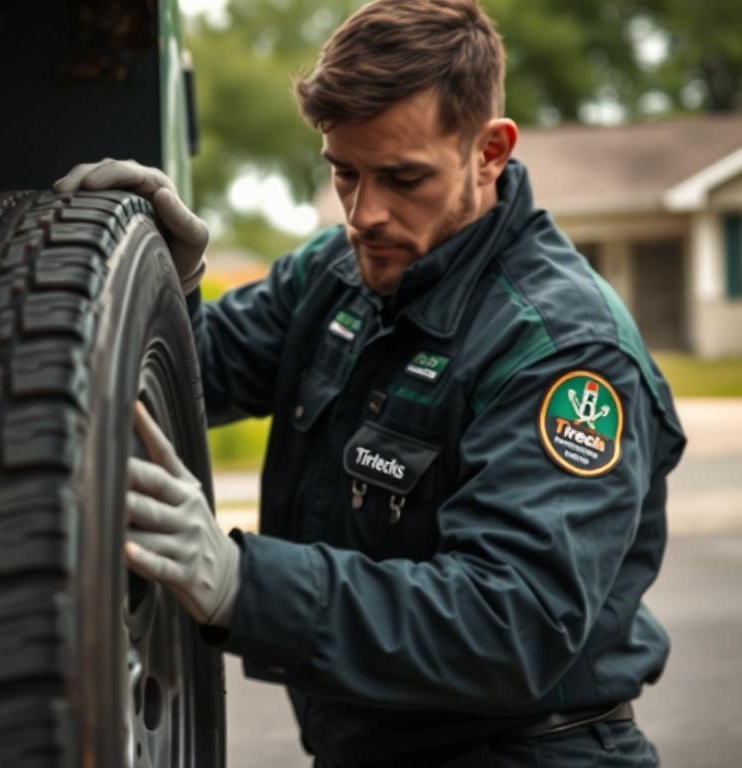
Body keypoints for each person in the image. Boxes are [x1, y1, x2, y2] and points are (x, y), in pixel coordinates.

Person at [55, 0, 686, 765]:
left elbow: (512, 624)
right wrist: (167, 287)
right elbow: (189, 380)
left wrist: (238, 582)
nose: (364, 213)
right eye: (344, 173)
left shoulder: (564, 353)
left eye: (403, 177)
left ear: (489, 151)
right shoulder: (337, 270)